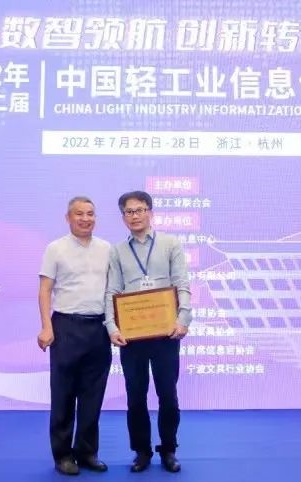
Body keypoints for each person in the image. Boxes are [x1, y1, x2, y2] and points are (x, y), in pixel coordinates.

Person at [104, 190, 191, 473]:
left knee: (168, 395)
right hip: (132, 336)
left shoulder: (170, 244)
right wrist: (111, 326)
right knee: (135, 396)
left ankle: (169, 449)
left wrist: (183, 319)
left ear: (150, 212)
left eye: (140, 210)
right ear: (123, 217)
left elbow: (182, 284)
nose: (135, 216)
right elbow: (112, 291)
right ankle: (141, 451)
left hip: (166, 334)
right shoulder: (117, 251)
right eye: (129, 212)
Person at [38, 196, 113, 476]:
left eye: (90, 214)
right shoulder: (55, 248)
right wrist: (46, 327)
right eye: (79, 214)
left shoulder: (107, 249)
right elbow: (45, 290)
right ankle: (63, 455)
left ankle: (87, 452)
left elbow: (113, 290)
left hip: (98, 328)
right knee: (64, 394)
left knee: (93, 395)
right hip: (66, 327)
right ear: (68, 218)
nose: (85, 218)